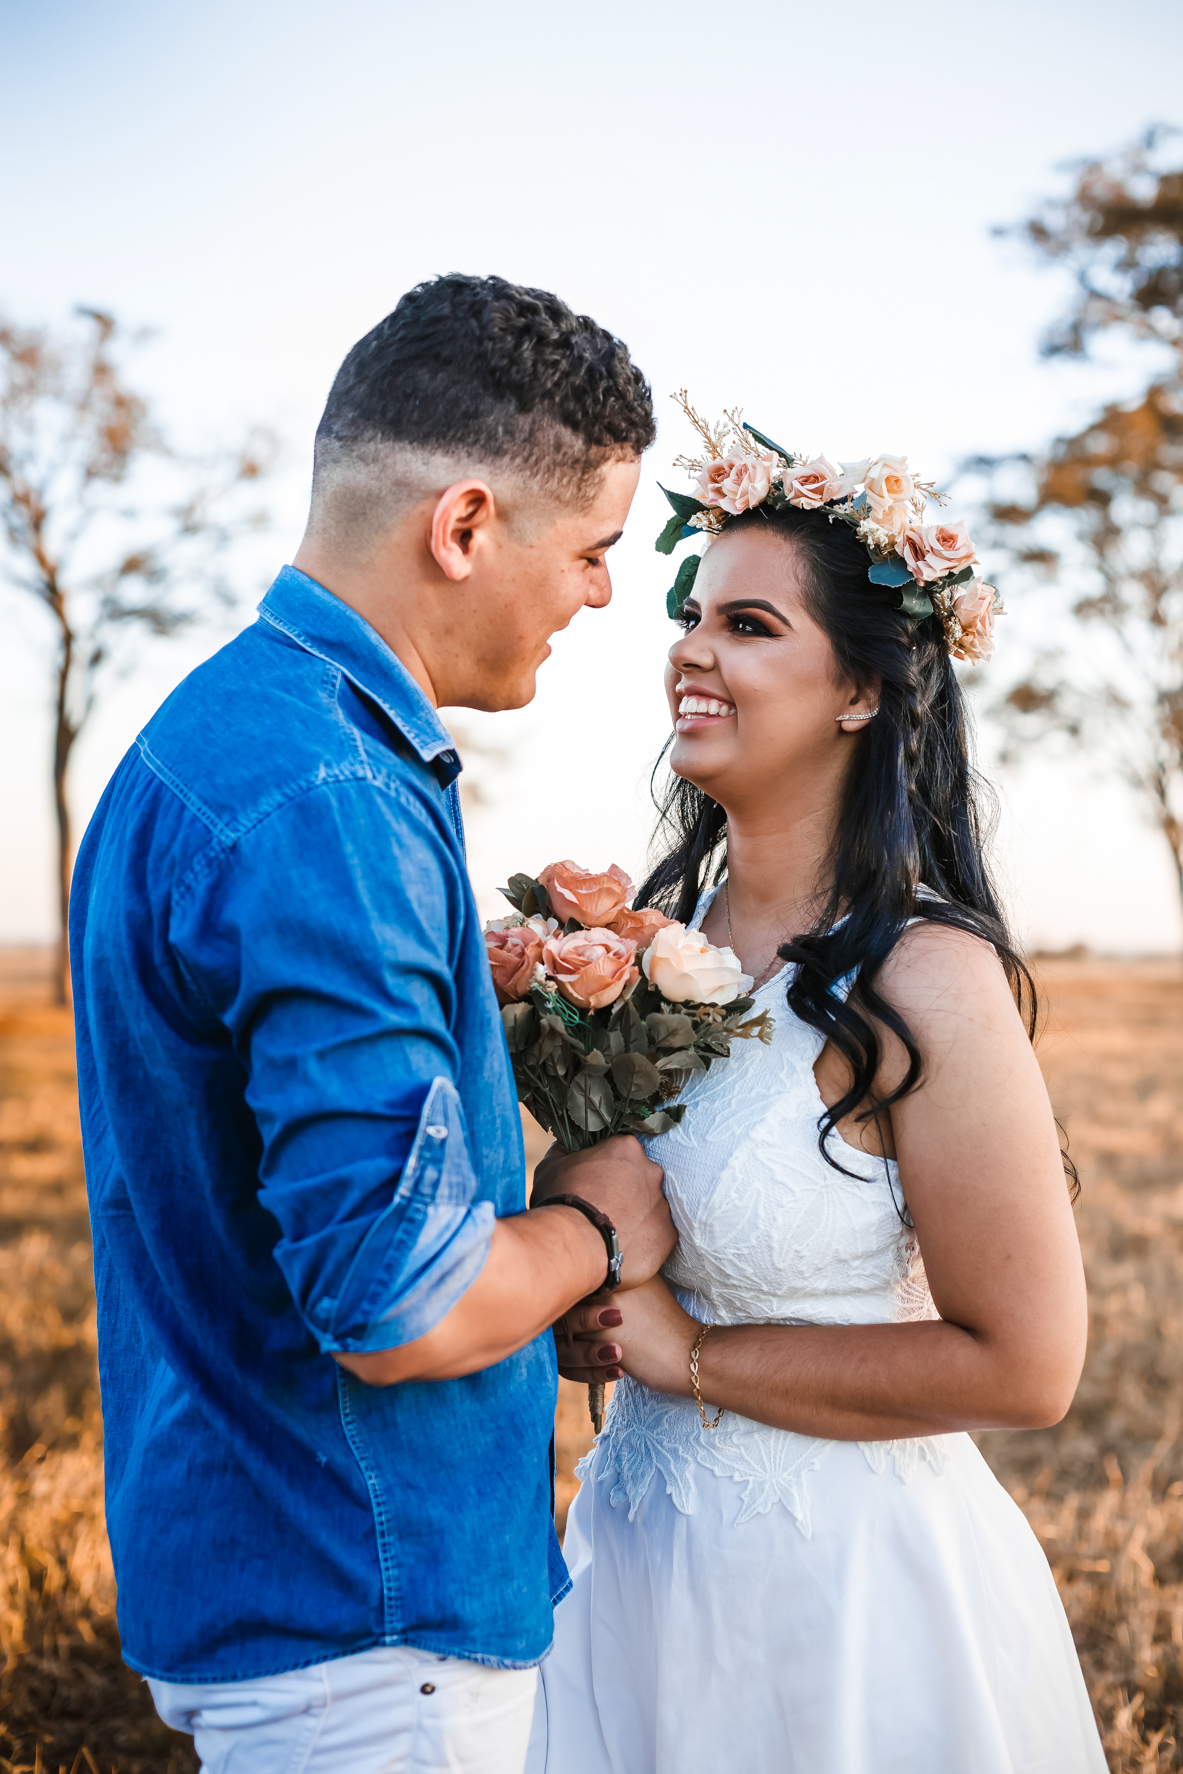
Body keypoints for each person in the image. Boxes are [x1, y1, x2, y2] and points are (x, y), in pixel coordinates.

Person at [69, 273, 676, 1774]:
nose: (604, 593)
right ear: (464, 526)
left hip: (275, 1583)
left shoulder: (212, 739)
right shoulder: (329, 803)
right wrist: (595, 1231)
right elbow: (400, 1300)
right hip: (368, 1644)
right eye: (594, 549)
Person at [529, 423, 1108, 1771]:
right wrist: (583, 1297)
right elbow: (617, 1219)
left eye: (745, 621)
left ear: (860, 686)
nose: (689, 648)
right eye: (688, 616)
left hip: (844, 1598)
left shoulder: (924, 974)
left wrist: (693, 1358)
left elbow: (1029, 1364)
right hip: (635, 1555)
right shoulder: (638, 946)